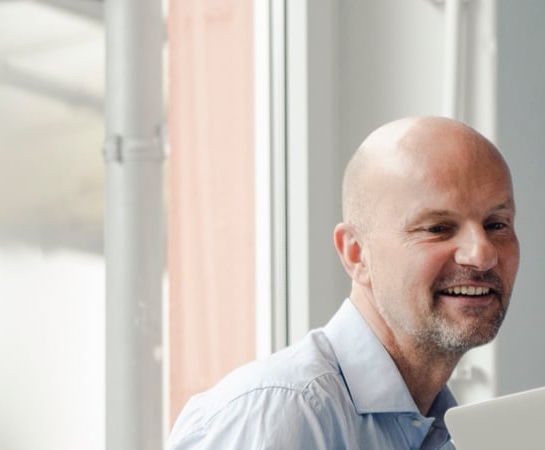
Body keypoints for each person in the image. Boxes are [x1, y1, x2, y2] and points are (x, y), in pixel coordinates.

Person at [167, 116, 519, 450]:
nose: (482, 254)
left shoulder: (444, 426)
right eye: (437, 228)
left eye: (497, 224)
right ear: (356, 253)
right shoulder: (282, 414)